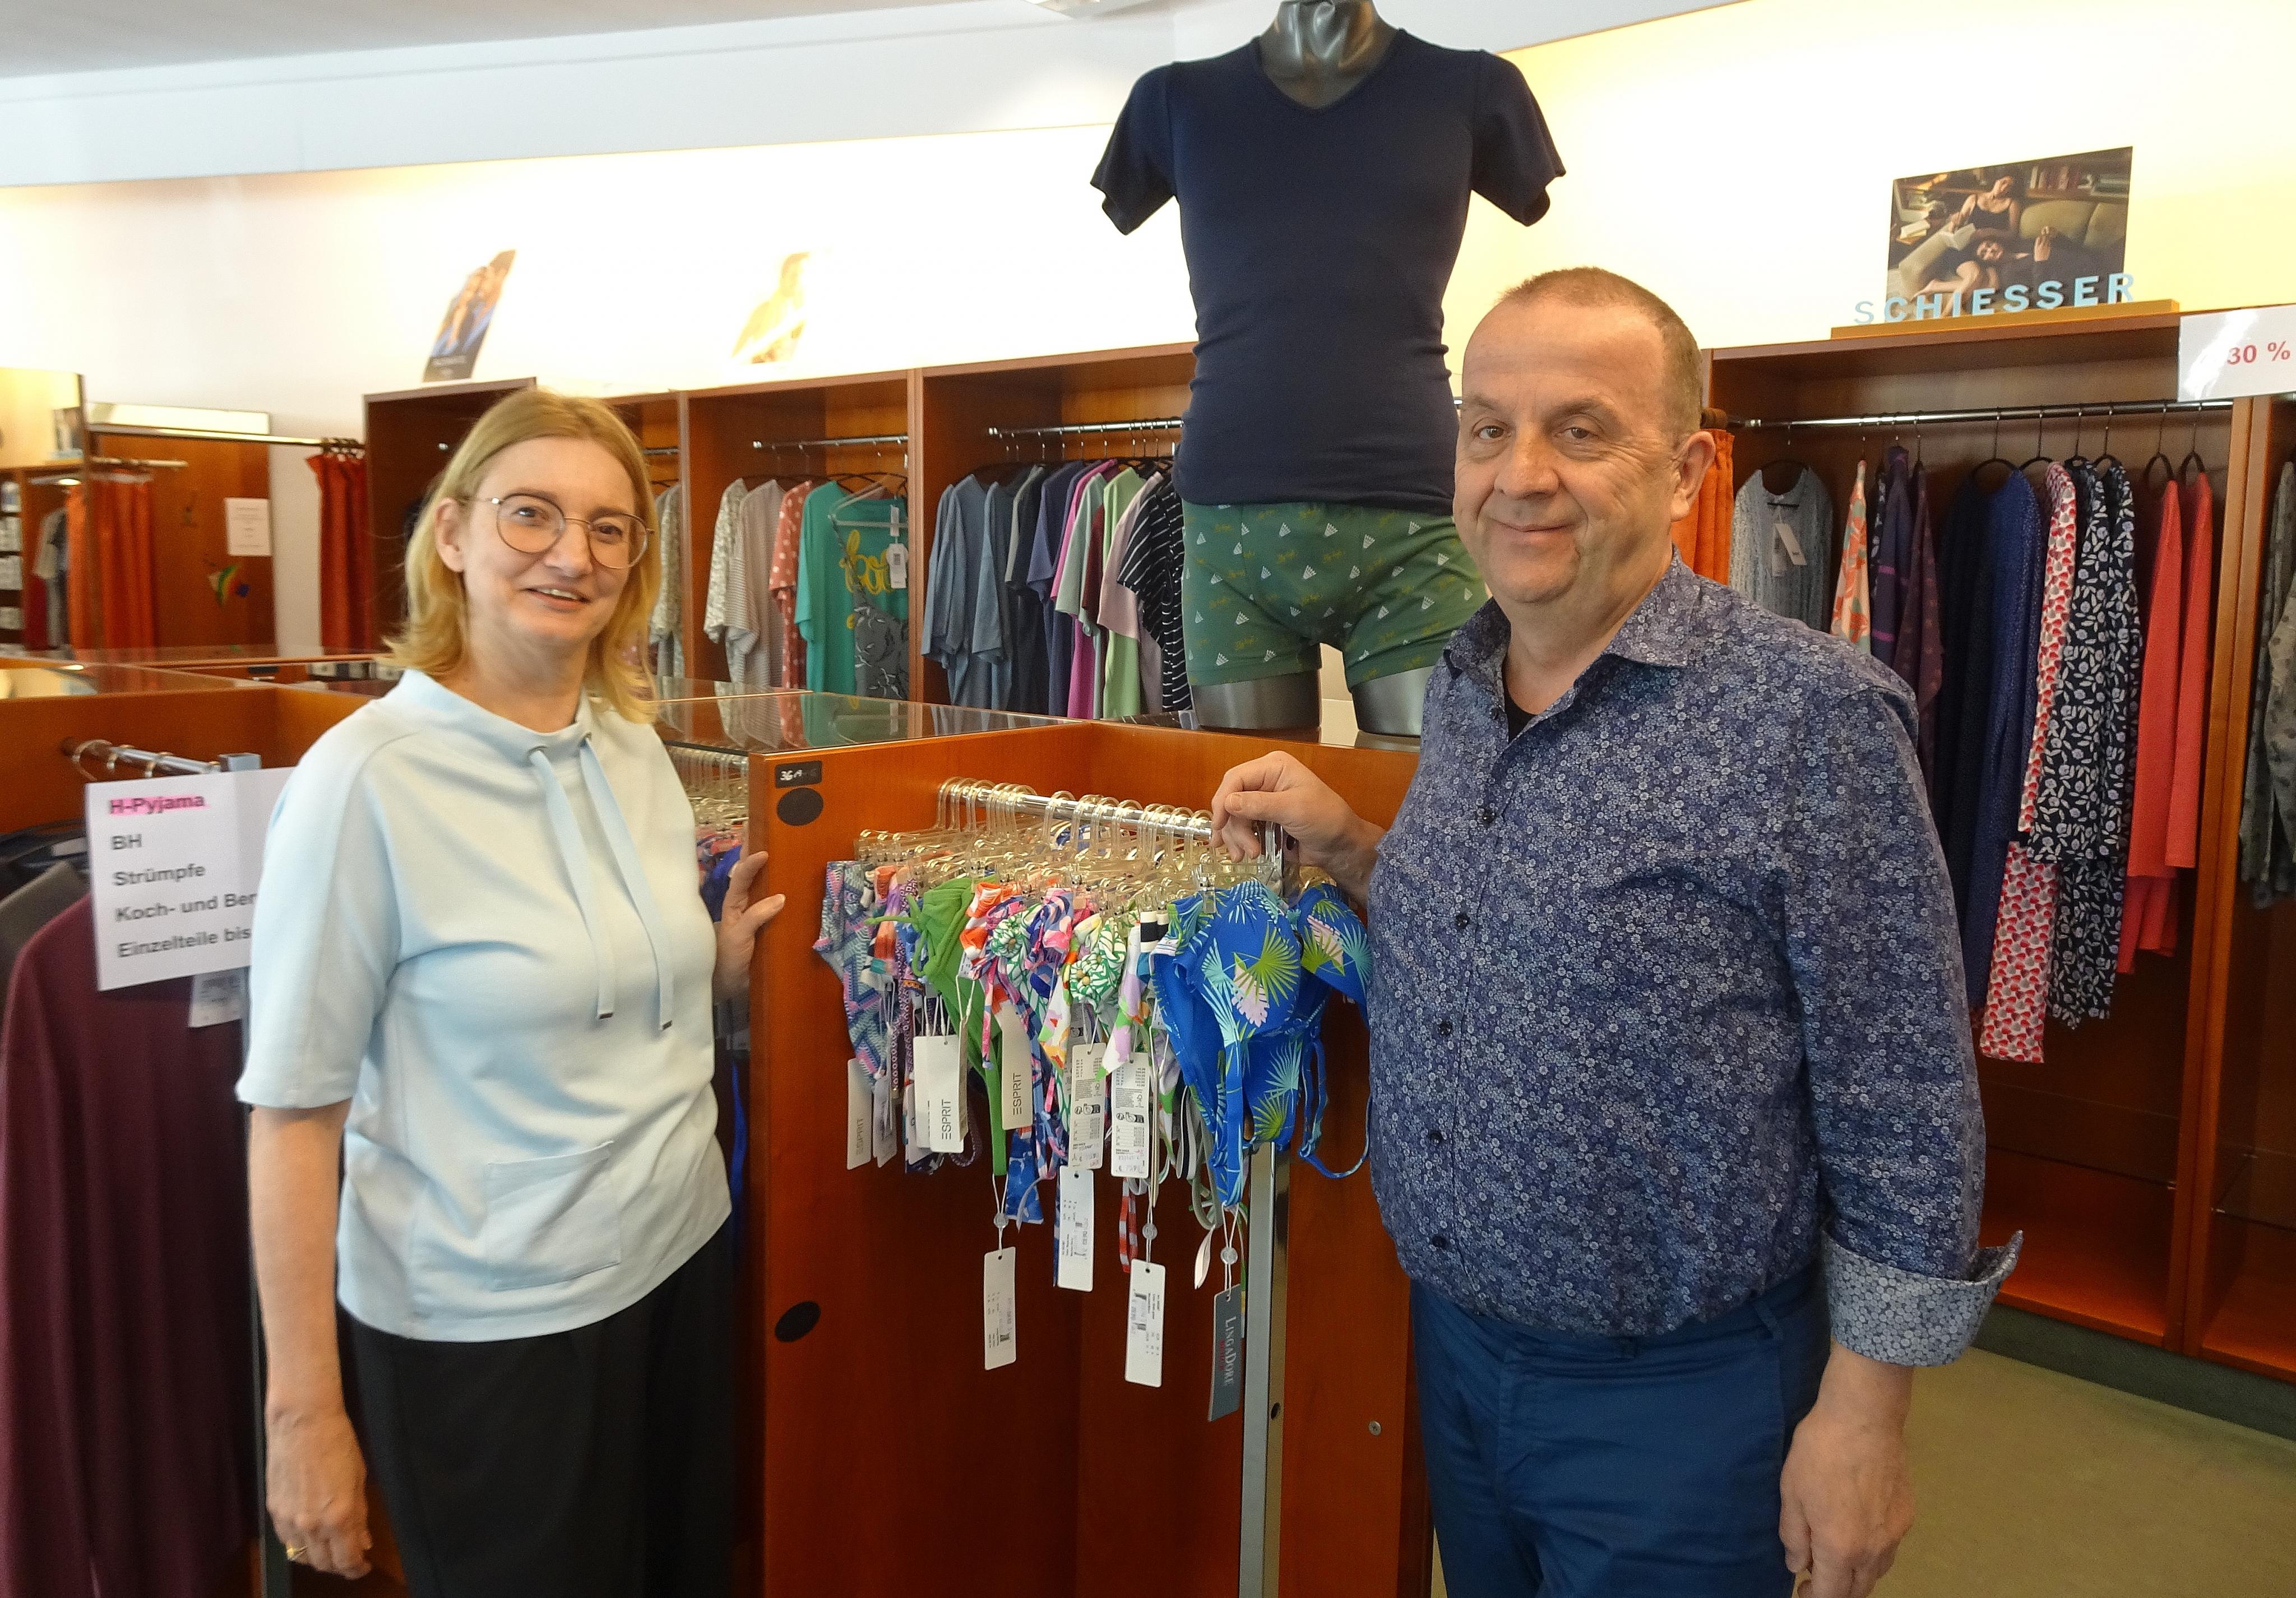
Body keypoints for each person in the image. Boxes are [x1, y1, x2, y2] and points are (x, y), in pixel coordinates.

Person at [1211, 268, 2015, 1598]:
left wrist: (1866, 1414)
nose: (1519, 474)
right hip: (1456, 1354)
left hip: (1681, 1407)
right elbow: (1491, 928)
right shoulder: (1464, 678)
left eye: (1578, 431)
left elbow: (1905, 1095)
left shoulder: (1808, 719)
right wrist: (1353, 847)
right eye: (1486, 428)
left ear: (1686, 471)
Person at [239, 390, 784, 1595]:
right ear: (451, 533)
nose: (570, 555)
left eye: (608, 527)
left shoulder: (632, 745)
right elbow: (294, 1116)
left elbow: (584, 989)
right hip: (489, 1326)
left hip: (679, 1263)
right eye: (530, 514)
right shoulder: (362, 784)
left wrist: (705, 972)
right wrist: (302, 1413)